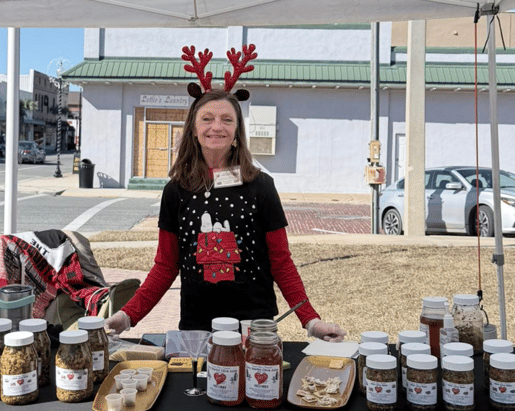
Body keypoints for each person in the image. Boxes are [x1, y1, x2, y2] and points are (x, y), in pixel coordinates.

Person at [105, 46, 345, 342]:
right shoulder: (175, 191)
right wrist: (127, 315)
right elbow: (166, 266)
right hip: (196, 326)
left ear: (237, 132)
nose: (216, 127)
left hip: (253, 328)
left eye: (227, 120)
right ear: (194, 129)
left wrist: (310, 320)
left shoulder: (261, 186)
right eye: (207, 119)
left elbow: (281, 262)